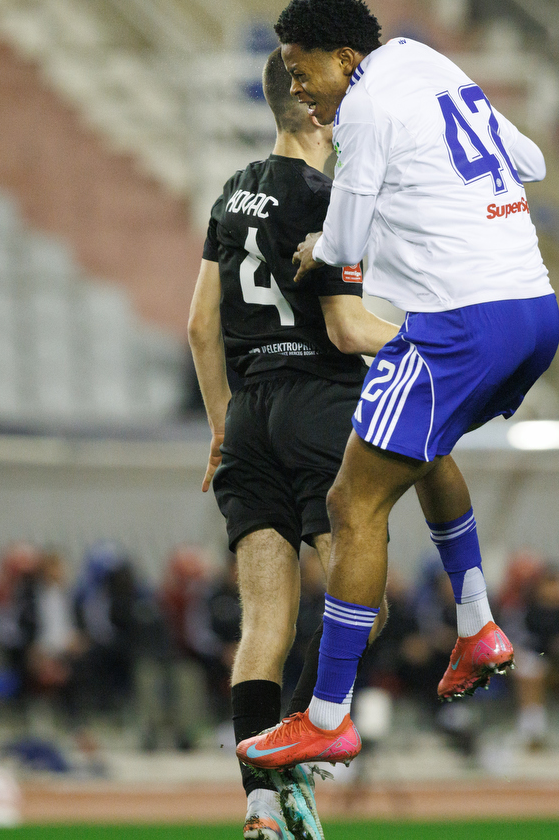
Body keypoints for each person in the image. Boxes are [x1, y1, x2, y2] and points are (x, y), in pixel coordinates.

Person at [237, 0, 559, 770]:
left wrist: (322, 249)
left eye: (300, 67)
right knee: (424, 452)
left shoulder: (366, 107)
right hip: (534, 310)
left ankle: (327, 714)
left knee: (353, 501)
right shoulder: (426, 63)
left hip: (462, 321)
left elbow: (342, 238)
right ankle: (477, 623)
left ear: (344, 57)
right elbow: (533, 162)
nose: (297, 85)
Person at [190, 46, 400, 840]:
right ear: (316, 110)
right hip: (321, 403)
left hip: (247, 414)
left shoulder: (232, 192)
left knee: (263, 624)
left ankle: (258, 805)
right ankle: (298, 752)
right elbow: (349, 331)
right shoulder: (329, 197)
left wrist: (220, 425)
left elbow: (199, 325)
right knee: (362, 606)